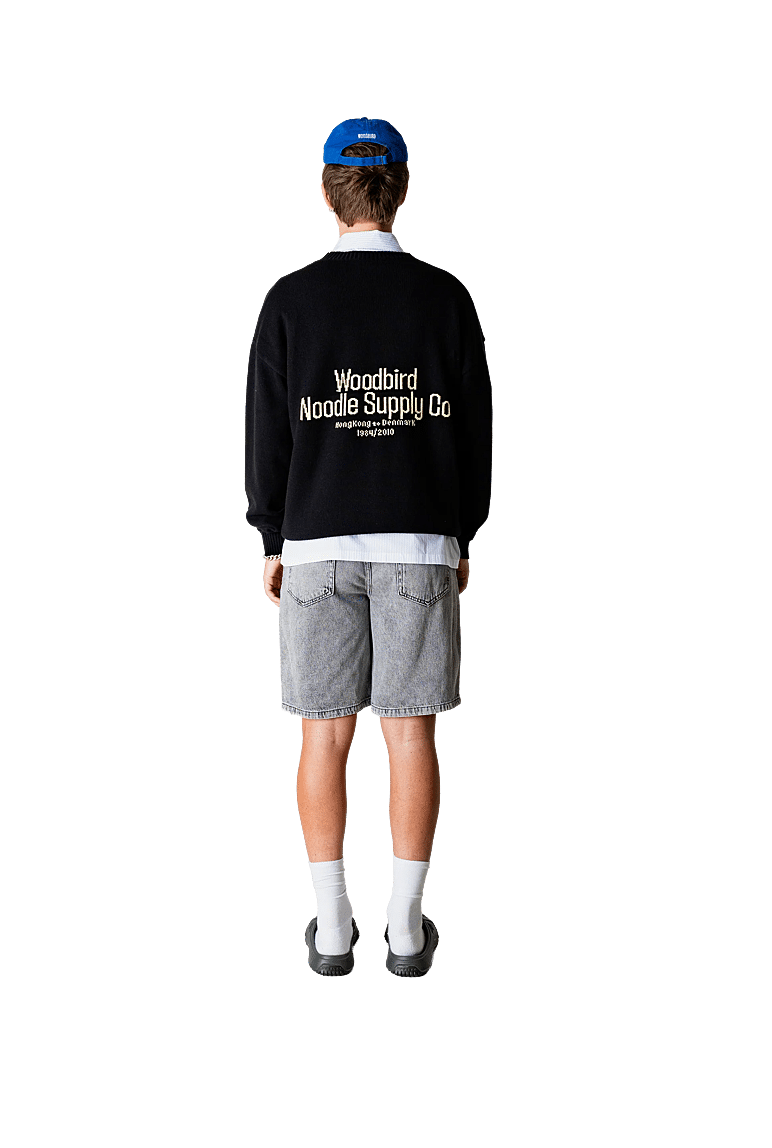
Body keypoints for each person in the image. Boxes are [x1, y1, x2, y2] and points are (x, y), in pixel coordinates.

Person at [244, 117, 493, 977]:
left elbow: (267, 435)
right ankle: (405, 926)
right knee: (409, 735)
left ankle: (331, 926)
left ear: (328, 191)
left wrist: (272, 537)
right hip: (419, 541)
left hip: (315, 544)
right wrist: (461, 531)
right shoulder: (445, 298)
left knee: (323, 737)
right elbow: (473, 433)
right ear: (403, 189)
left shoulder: (290, 300)